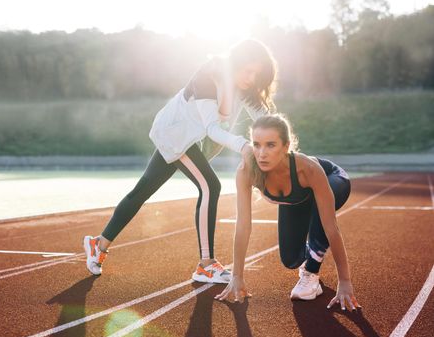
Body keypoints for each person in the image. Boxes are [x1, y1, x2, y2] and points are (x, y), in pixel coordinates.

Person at [83, 39, 277, 284]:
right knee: (210, 186)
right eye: (248, 70)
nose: (251, 78)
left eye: (256, 74)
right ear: (236, 62)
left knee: (142, 190)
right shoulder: (209, 76)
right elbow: (213, 129)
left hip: (188, 137)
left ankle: (98, 244)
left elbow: (267, 121)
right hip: (177, 134)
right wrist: (244, 146)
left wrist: (282, 148)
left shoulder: (244, 86)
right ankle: (206, 265)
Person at [215, 114, 361, 310]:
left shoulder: (307, 168)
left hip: (333, 180)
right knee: (291, 259)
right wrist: (237, 276)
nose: (262, 153)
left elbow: (331, 228)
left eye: (271, 145)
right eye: (257, 145)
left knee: (321, 219)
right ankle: (311, 253)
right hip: (299, 199)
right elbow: (243, 225)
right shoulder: (246, 171)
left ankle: (311, 274)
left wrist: (344, 281)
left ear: (286, 146)